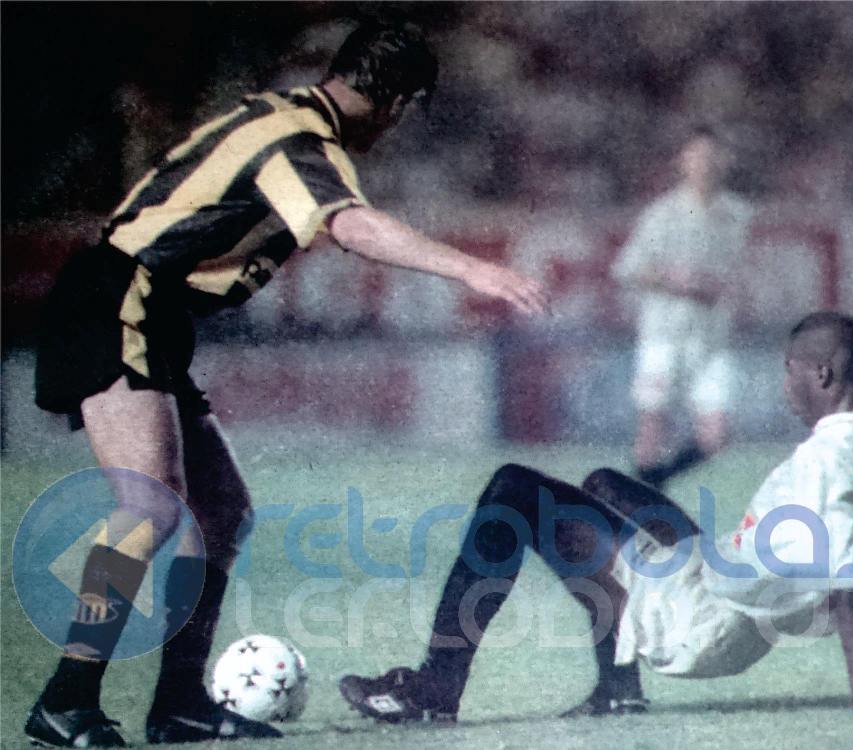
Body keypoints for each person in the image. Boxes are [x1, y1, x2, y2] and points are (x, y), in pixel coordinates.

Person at [26, 22, 547, 748]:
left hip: (144, 306)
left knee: (221, 510)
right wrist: (471, 268)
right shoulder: (299, 142)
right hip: (114, 300)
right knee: (150, 504)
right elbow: (353, 228)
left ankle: (178, 703)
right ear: (397, 102)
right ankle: (67, 698)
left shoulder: (279, 115)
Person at [340, 312, 853, 722]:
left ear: (822, 374)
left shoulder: (828, 459)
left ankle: (435, 688)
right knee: (605, 485)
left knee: (511, 490)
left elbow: (847, 594)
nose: (785, 385)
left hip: (702, 617)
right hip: (727, 590)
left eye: (789, 369)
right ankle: (617, 688)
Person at [613, 126, 754, 490]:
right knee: (653, 424)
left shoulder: (738, 214)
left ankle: (654, 482)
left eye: (712, 156)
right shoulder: (662, 214)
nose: (705, 164)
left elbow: (741, 270)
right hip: (665, 334)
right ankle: (642, 498)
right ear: (682, 161)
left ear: (726, 161)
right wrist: (675, 281)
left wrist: (732, 291)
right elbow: (627, 268)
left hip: (712, 337)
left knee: (716, 435)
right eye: (697, 156)